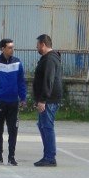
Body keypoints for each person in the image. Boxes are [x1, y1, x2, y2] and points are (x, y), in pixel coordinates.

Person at [0, 38, 27, 166]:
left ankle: (11, 156)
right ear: (2, 49)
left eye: (13, 47)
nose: (12, 49)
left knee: (13, 130)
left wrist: (23, 98)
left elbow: (21, 82)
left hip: (13, 101)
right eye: (9, 47)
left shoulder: (17, 63)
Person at [33, 33, 63, 167]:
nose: (37, 48)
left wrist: (43, 100)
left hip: (48, 100)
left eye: (38, 45)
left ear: (43, 45)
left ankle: (50, 157)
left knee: (47, 126)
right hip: (46, 99)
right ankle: (47, 155)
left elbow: (48, 80)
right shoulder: (48, 58)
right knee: (42, 125)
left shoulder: (50, 59)